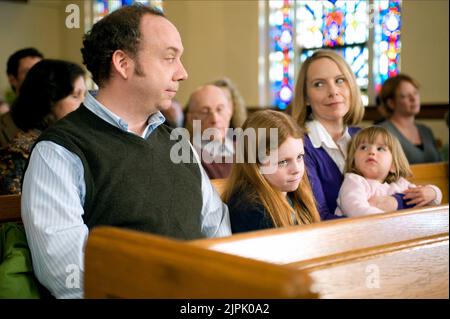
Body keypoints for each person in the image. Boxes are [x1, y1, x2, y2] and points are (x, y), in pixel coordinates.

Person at [21, 5, 231, 299]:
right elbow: (69, 278)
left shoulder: (176, 140)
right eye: (170, 58)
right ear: (123, 63)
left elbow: (216, 231)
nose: (183, 73)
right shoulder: (60, 150)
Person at [291, 50, 364, 220]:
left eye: (340, 80)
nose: (333, 91)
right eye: (319, 84)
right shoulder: (300, 146)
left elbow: (400, 189)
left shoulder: (365, 137)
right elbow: (318, 217)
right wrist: (378, 222)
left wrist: (395, 202)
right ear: (306, 97)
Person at [223, 110, 320, 233]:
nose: (296, 169)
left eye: (299, 157)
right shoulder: (250, 209)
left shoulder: (295, 194)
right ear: (256, 164)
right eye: (283, 162)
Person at [0, 59, 86, 195]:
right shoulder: (18, 155)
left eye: (84, 95)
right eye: (75, 96)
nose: (84, 104)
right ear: (49, 100)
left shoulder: (73, 142)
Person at [336, 126, 442, 217]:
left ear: (393, 165)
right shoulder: (354, 182)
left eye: (380, 149)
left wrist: (433, 192)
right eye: (363, 147)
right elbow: (355, 209)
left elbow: (429, 200)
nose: (371, 152)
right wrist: (391, 222)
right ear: (353, 161)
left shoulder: (400, 185)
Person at [378, 74, 441, 164]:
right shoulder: (382, 132)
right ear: (391, 103)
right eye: (404, 96)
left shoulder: (426, 130)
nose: (413, 99)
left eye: (415, 93)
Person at [185, 84, 234, 179]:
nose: (215, 119)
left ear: (229, 112)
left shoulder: (245, 150)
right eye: (205, 112)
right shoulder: (187, 157)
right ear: (191, 119)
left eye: (219, 109)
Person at [0, 48, 44, 148]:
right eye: (28, 72)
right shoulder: (2, 127)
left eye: (40, 71)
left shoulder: (57, 120)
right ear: (13, 80)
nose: (36, 77)